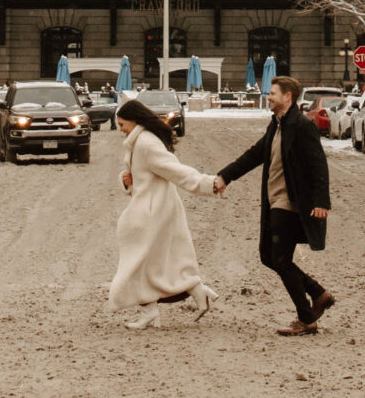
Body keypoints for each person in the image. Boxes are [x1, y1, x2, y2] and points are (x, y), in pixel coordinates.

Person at [214, 75, 333, 337]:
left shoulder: (301, 126)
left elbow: (318, 164)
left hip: (289, 203)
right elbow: (254, 155)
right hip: (273, 201)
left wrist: (321, 202)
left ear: (288, 97)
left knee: (279, 258)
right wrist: (226, 176)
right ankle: (317, 293)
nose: (269, 97)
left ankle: (307, 318)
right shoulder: (276, 126)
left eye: (273, 93)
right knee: (267, 256)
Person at [109, 98, 219, 329]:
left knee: (140, 262)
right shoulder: (138, 141)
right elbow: (141, 175)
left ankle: (151, 311)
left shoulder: (146, 143)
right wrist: (125, 180)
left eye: (121, 124)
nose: (120, 129)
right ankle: (198, 293)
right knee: (159, 260)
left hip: (153, 211)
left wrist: (207, 184)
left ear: (134, 121)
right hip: (151, 208)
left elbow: (176, 171)